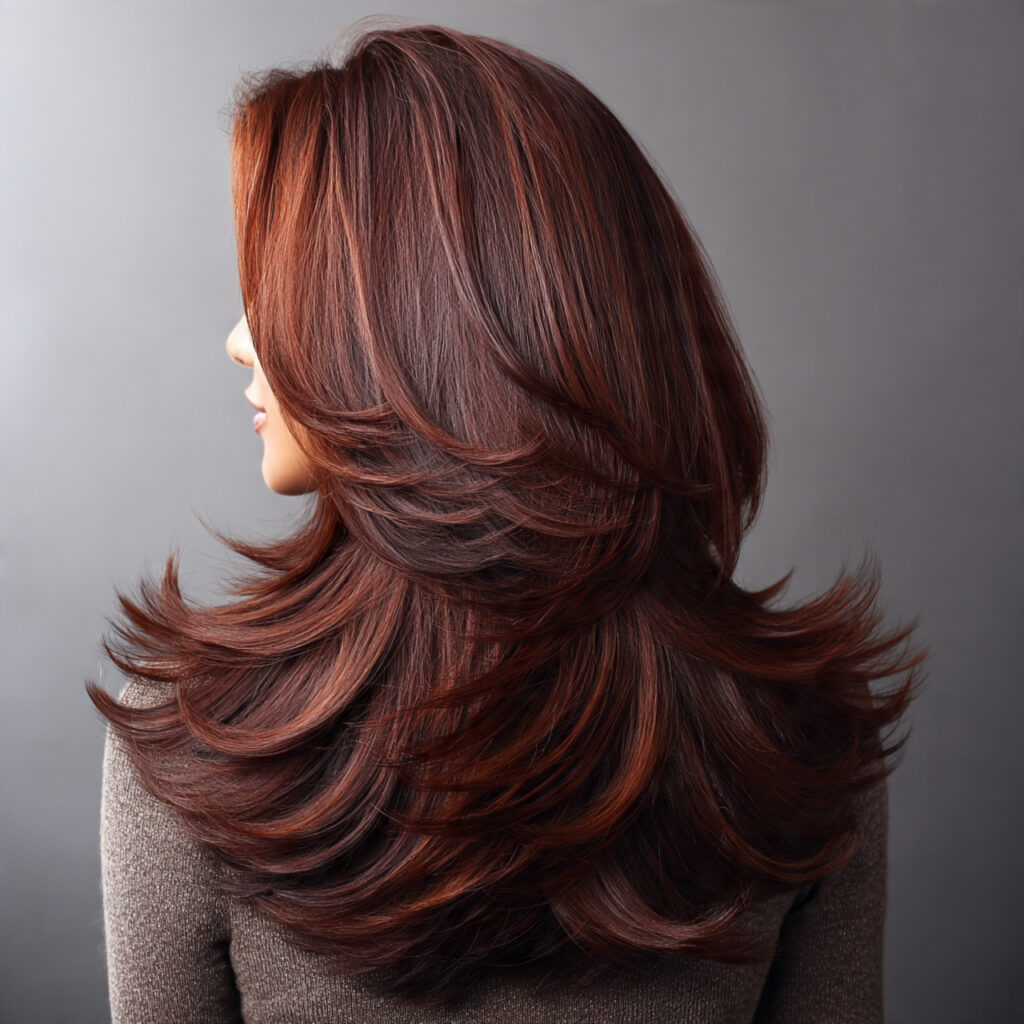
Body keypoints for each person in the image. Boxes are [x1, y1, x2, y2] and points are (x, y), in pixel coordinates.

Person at [89, 21, 925, 1024]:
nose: (236, 340)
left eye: (280, 287)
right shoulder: (799, 735)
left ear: (416, 323)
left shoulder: (193, 741)